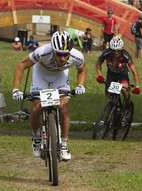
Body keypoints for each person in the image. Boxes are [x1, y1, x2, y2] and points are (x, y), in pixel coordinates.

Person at [11, 31, 87, 161]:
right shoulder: (43, 52)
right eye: (59, 54)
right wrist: (15, 89)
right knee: (36, 107)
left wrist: (80, 85)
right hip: (41, 74)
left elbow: (82, 70)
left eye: (65, 54)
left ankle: (63, 144)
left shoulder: (77, 56)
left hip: (60, 76)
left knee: (63, 108)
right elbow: (21, 65)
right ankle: (36, 137)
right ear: (52, 50)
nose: (62, 58)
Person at [95, 36, 140, 113]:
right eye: (114, 51)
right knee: (109, 96)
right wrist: (100, 75)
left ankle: (127, 107)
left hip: (123, 74)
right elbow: (98, 63)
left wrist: (137, 86)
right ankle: (107, 119)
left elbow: (134, 72)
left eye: (118, 51)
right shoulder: (107, 53)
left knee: (124, 90)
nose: (116, 53)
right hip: (111, 74)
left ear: (121, 49)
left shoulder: (126, 55)